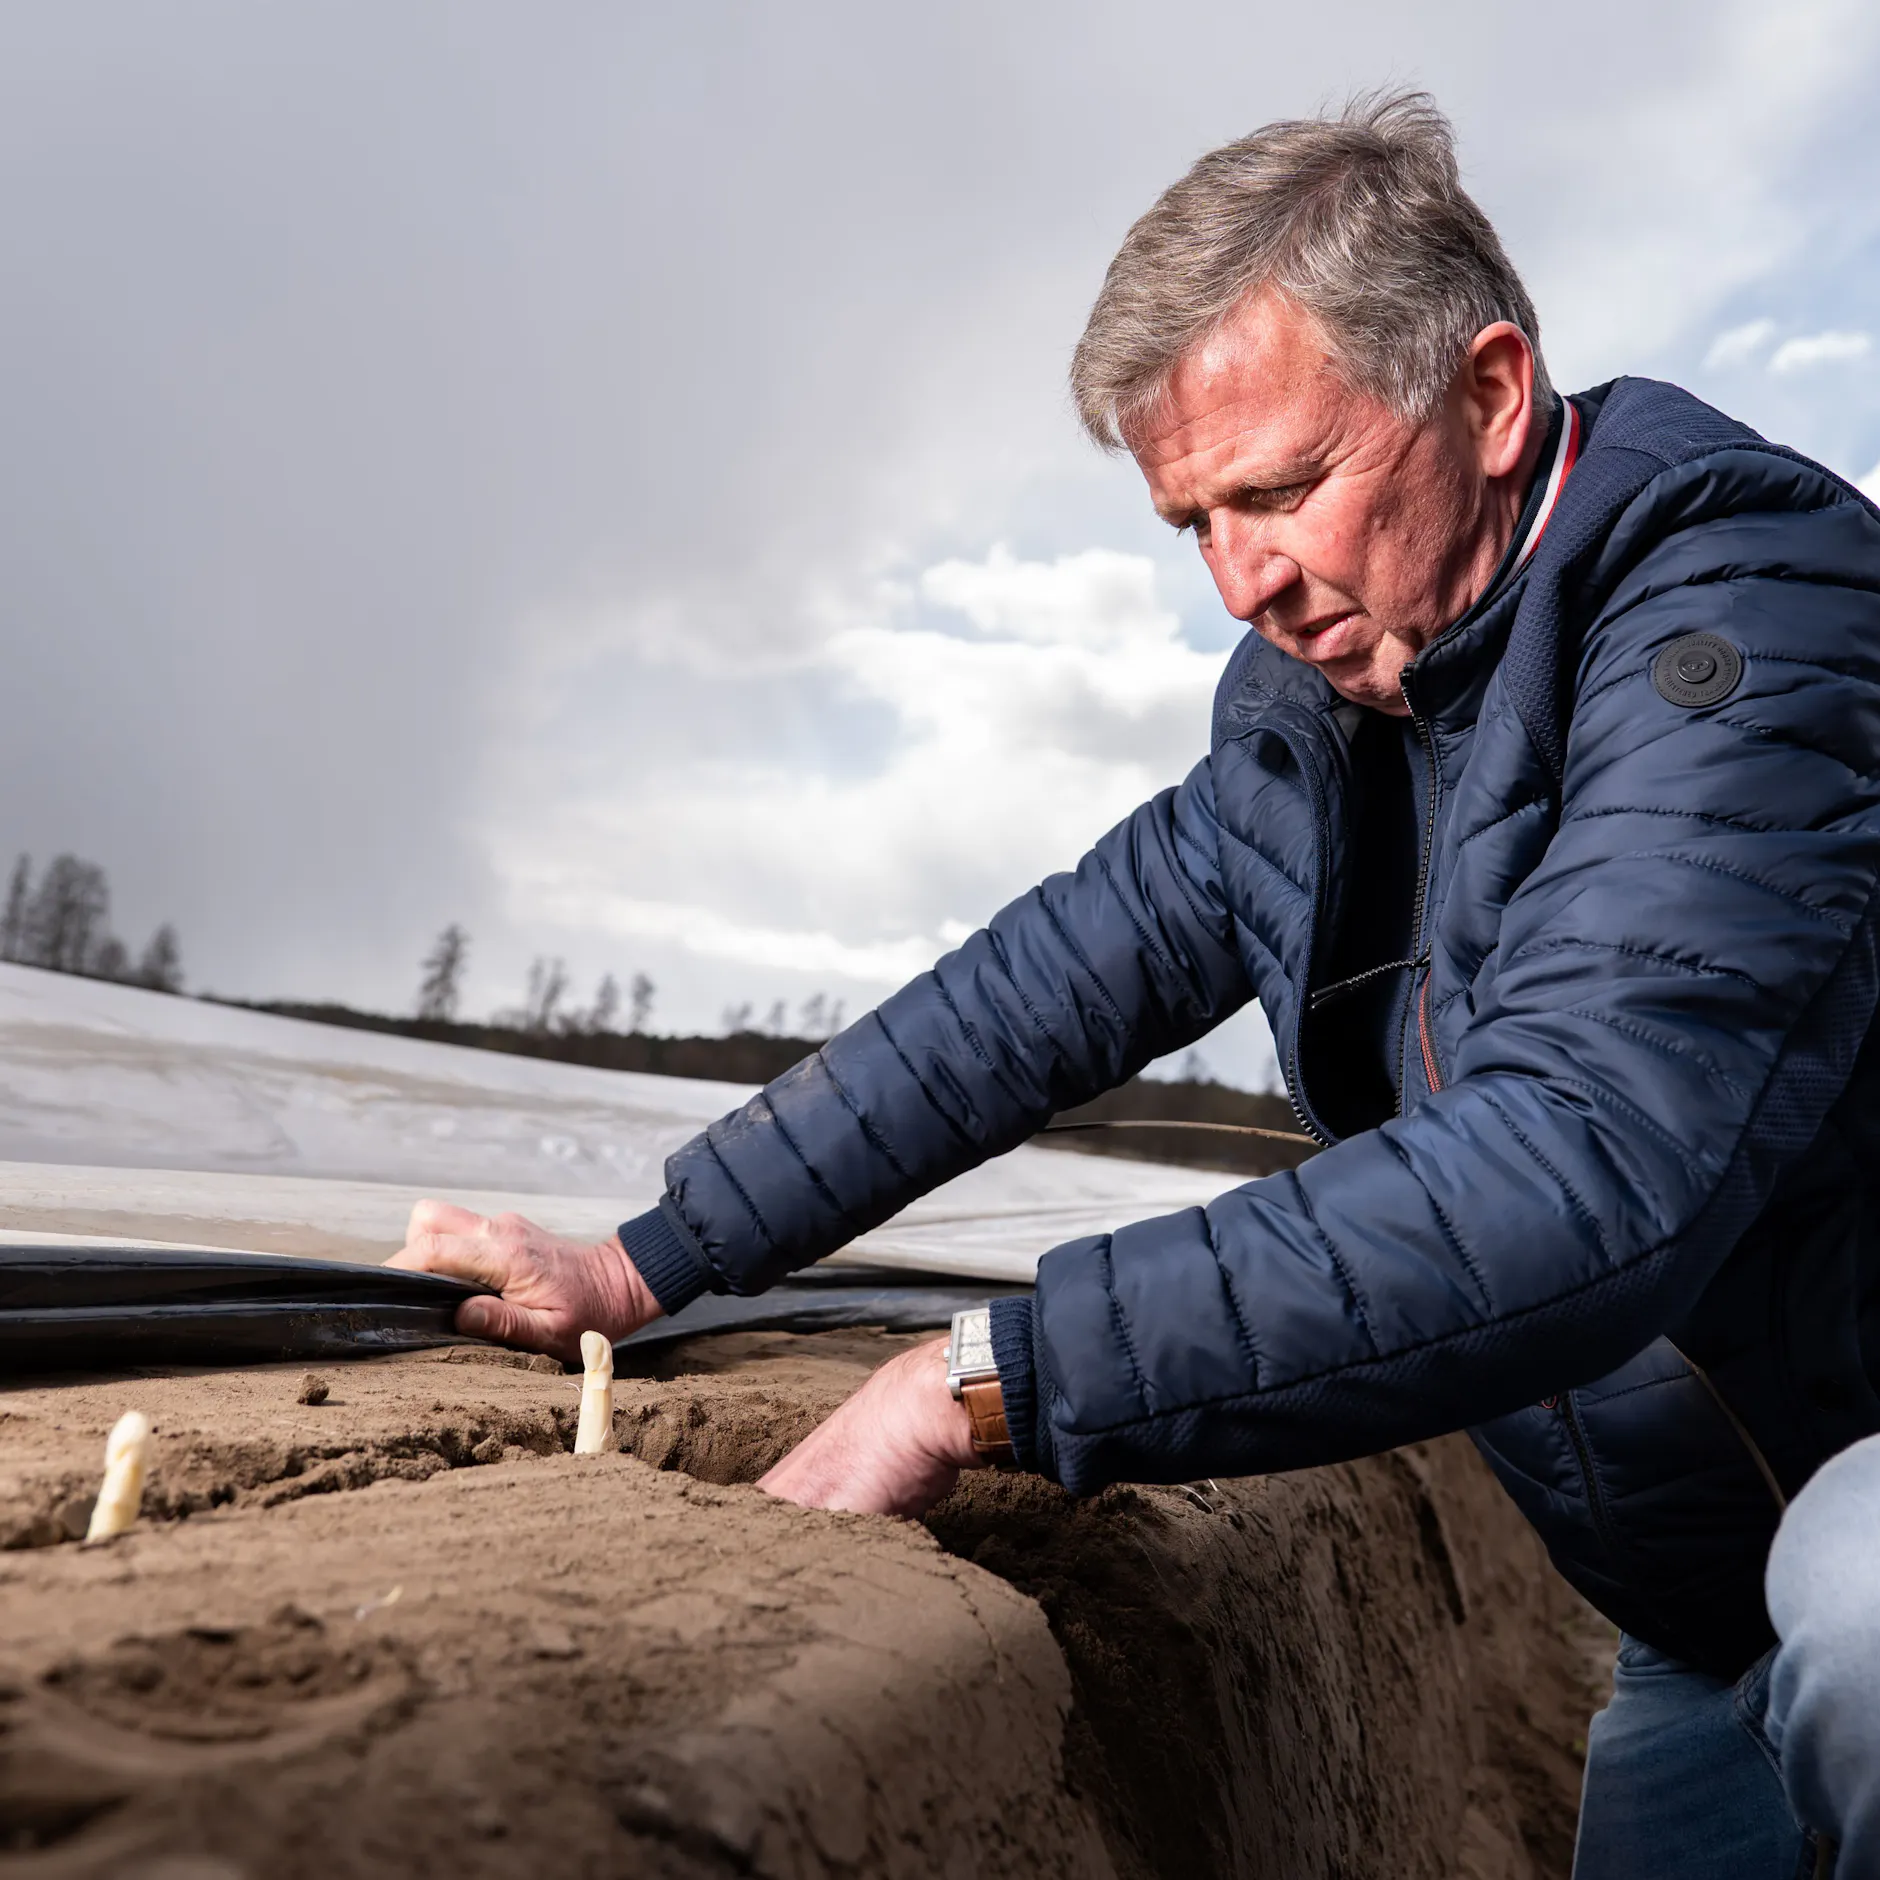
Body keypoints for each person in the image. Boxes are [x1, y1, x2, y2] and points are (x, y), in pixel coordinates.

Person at [391, 93, 1880, 1875]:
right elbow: (1027, 1002)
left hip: (1851, 1532)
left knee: (1861, 1607)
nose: (1242, 579)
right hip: (1698, 1602)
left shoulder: (1747, 623)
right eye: (1192, 521)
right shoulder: (1330, 711)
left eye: (1282, 490)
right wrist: (648, 1257)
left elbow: (1575, 1175)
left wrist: (986, 1375)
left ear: (1487, 398)